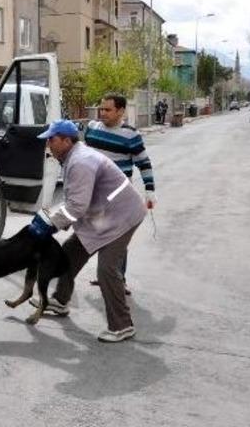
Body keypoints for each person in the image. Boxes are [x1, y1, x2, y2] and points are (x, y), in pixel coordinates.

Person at [28, 119, 147, 342]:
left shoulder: (80, 161)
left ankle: (122, 326)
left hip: (123, 216)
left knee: (107, 269)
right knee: (69, 254)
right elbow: (77, 201)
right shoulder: (73, 156)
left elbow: (76, 207)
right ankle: (60, 301)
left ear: (66, 140)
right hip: (105, 215)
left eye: (51, 140)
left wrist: (49, 225)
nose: (48, 145)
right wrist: (53, 221)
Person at [84, 94, 157, 294]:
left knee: (117, 239)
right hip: (96, 195)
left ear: (121, 111)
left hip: (119, 197)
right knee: (102, 235)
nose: (102, 113)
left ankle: (119, 279)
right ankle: (105, 276)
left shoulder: (130, 135)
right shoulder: (92, 128)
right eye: (101, 109)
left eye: (108, 110)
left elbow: (144, 163)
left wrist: (149, 190)